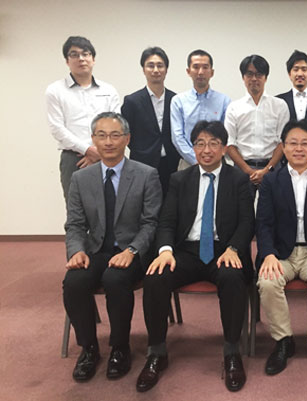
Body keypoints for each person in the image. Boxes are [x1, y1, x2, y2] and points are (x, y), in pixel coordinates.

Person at [136, 121, 254, 393]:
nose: (206, 150)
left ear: (224, 148)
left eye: (213, 143)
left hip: (223, 250)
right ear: (193, 148)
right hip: (186, 251)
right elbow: (166, 221)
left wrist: (234, 249)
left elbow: (247, 222)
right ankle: (157, 352)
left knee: (232, 277)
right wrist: (165, 251)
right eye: (200, 143)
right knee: (155, 277)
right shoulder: (179, 179)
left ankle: (231, 352)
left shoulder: (238, 179)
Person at [63, 112, 162, 382]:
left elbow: (151, 223)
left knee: (115, 279)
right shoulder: (81, 179)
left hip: (131, 251)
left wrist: (132, 251)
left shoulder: (146, 175)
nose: (108, 142)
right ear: (93, 139)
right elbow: (75, 224)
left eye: (115, 135)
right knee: (73, 282)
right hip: (95, 250)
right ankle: (89, 349)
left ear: (127, 139)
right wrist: (77, 251)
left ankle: (120, 347)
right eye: (102, 135)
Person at [256, 120, 307, 376]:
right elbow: (263, 223)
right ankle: (283, 341)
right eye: (293, 143)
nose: (299, 148)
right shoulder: (271, 181)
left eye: (305, 143)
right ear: (283, 147)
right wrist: (268, 254)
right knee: (268, 282)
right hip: (280, 253)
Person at [46, 36, 120, 201]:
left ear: (93, 59)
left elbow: (116, 125)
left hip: (107, 155)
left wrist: (99, 152)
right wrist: (87, 150)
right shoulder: (55, 90)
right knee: (76, 209)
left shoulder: (108, 90)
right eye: (74, 54)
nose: (81, 58)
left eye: (85, 54)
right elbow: (57, 128)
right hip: (74, 159)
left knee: (111, 206)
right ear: (67, 61)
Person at [225, 55, 290, 196]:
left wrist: (267, 170)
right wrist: (248, 171)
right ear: (243, 77)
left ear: (266, 78)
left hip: (272, 169)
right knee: (241, 209)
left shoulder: (279, 106)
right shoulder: (234, 107)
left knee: (274, 209)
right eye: (249, 74)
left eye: (259, 74)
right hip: (242, 169)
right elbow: (230, 144)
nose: (254, 79)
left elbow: (282, 142)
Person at [121, 47, 179, 196]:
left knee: (170, 203)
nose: (155, 70)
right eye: (150, 65)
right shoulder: (132, 101)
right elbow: (126, 134)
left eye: (160, 65)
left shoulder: (176, 99)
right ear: (143, 69)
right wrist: (142, 150)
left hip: (172, 163)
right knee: (144, 203)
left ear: (166, 69)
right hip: (142, 163)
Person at [170, 49, 231, 168]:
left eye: (205, 67)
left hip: (217, 163)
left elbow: (226, 135)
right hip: (189, 163)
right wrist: (196, 159)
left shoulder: (224, 101)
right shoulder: (178, 101)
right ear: (188, 71)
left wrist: (212, 158)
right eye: (196, 67)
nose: (200, 72)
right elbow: (177, 137)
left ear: (212, 72)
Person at [276, 50, 307, 121]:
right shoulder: (278, 101)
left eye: (304, 69)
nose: (300, 74)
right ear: (289, 74)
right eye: (296, 69)